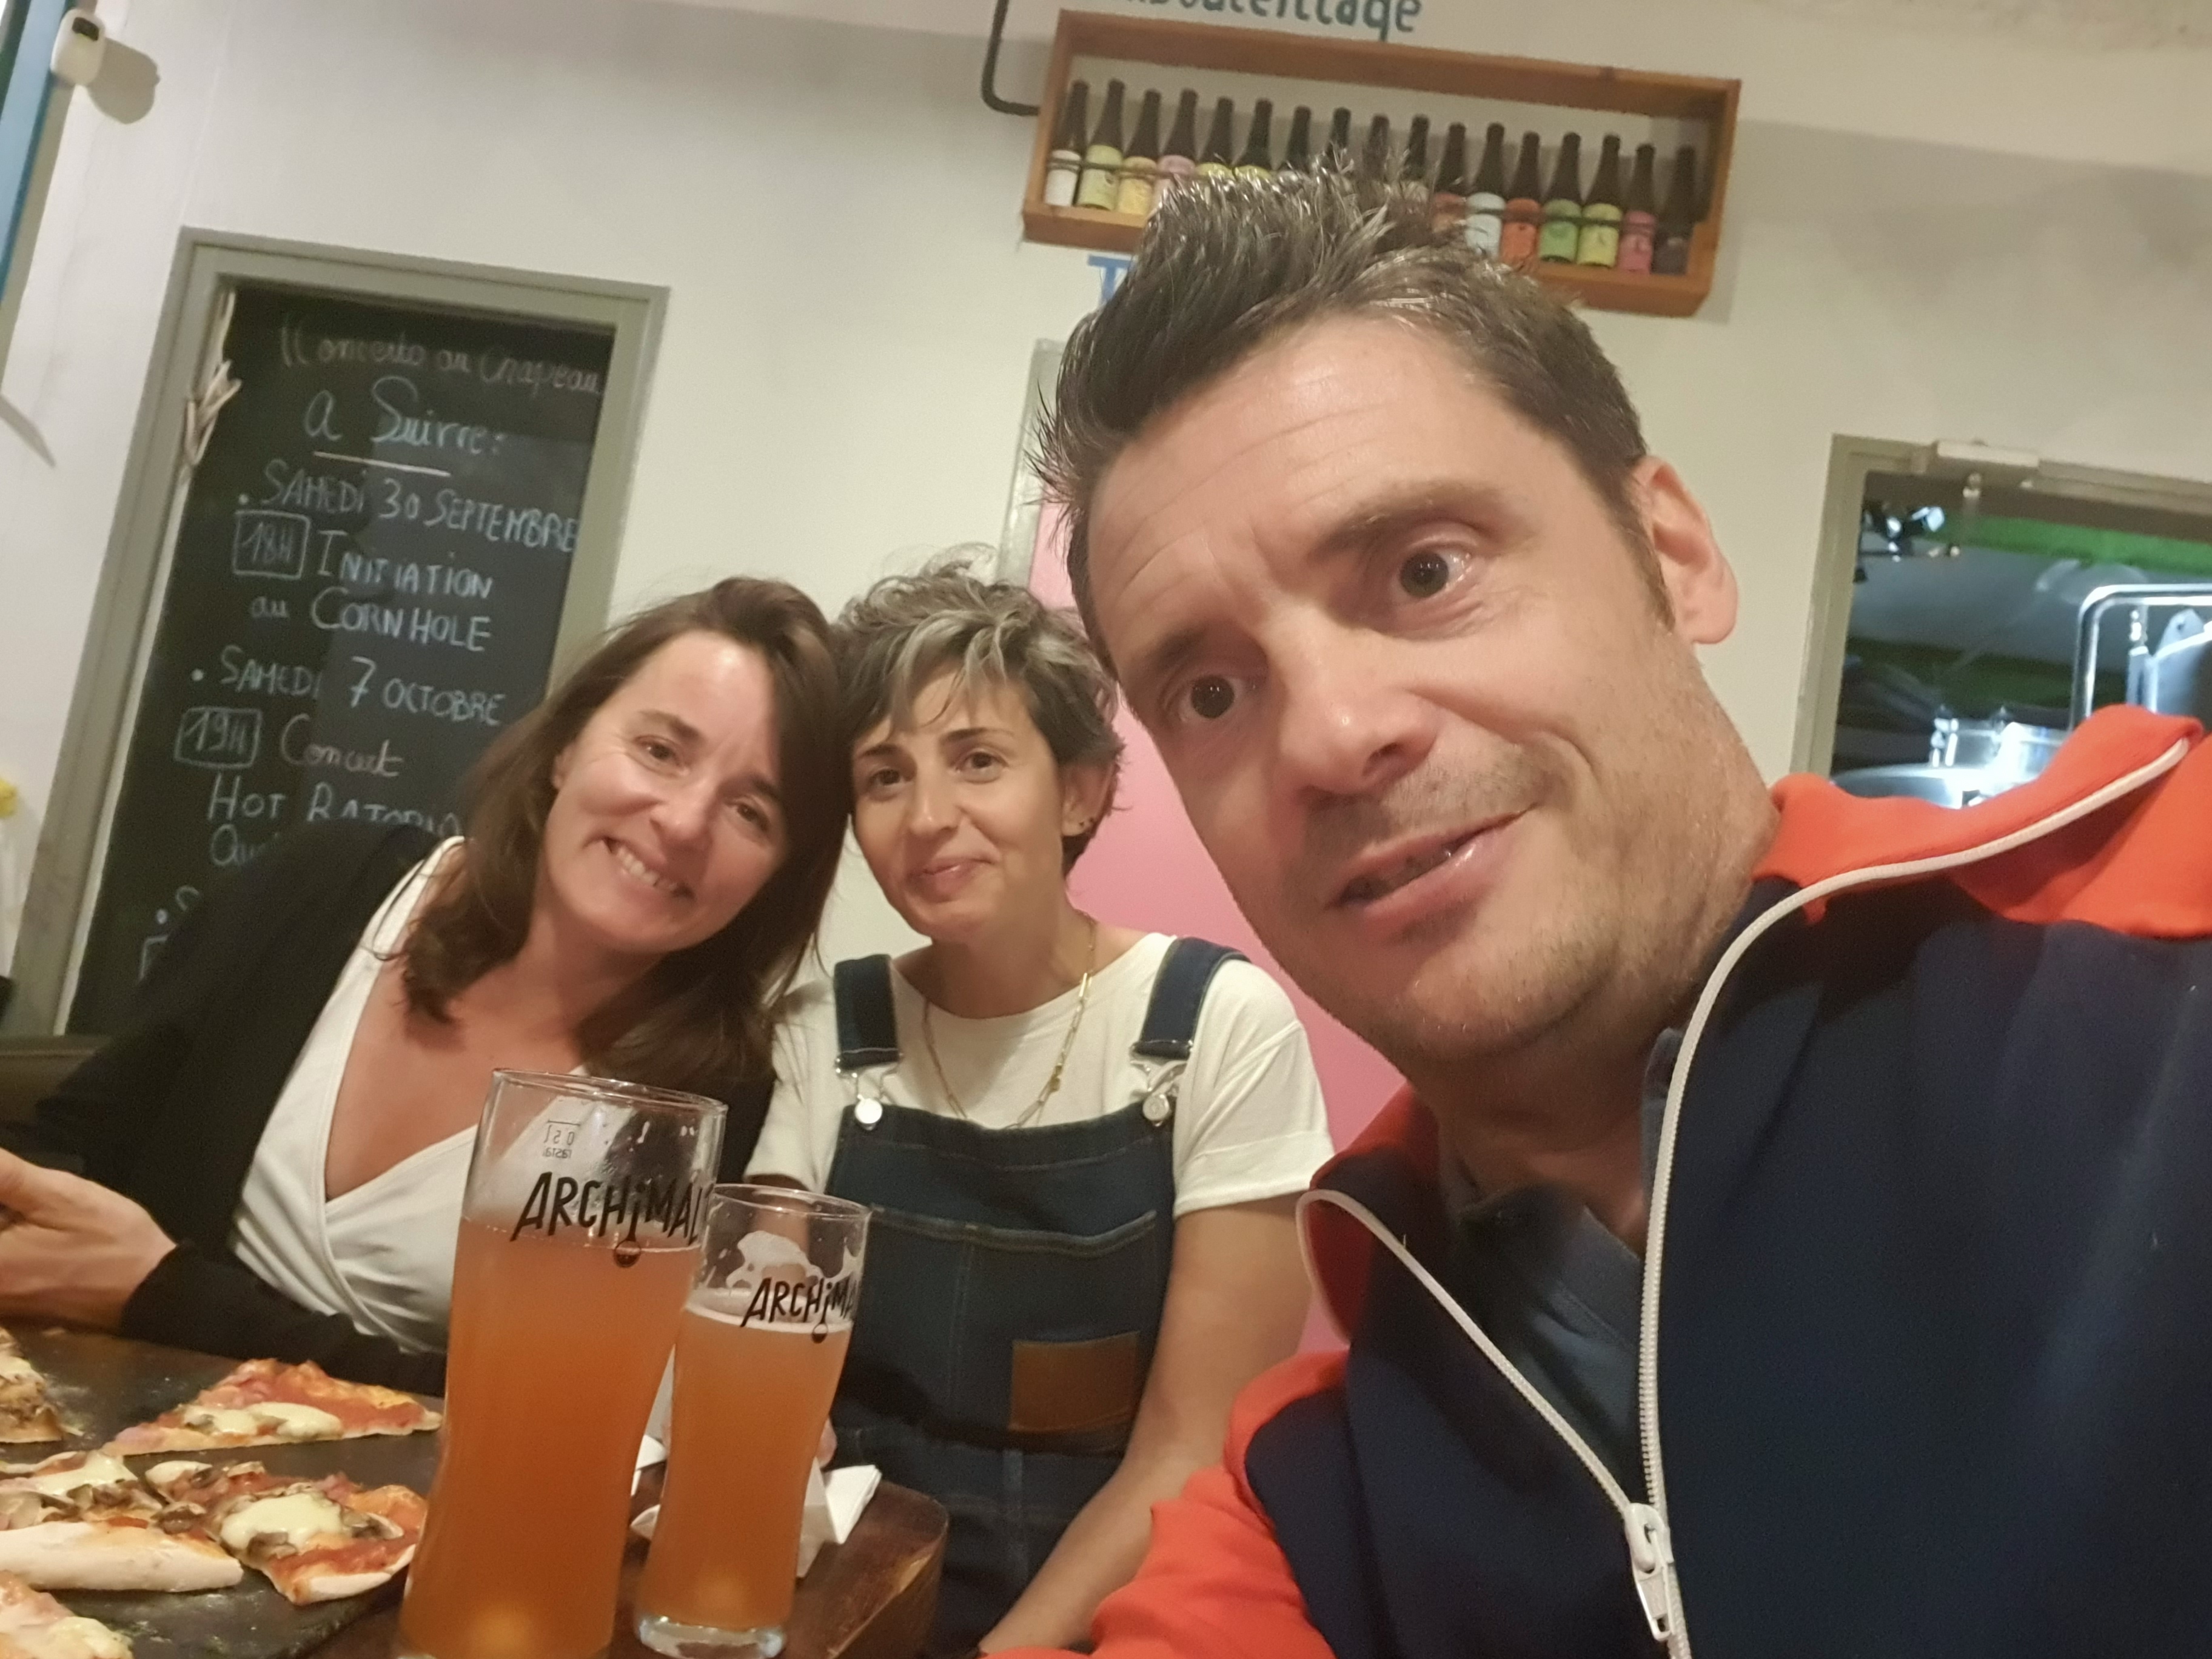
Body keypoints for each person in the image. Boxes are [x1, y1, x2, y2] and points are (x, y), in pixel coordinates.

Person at [991, 171, 2212, 1658]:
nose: (1330, 736)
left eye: (1425, 571)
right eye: (1209, 692)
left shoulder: (2165, 962)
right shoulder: (1304, 1516)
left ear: (1673, 554)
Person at [0, 577, 848, 1395]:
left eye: (751, 812)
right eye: (660, 751)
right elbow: (75, 1149)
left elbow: (553, 1406)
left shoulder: (707, 1105)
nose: (684, 821)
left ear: (776, 874)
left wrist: (169, 1296)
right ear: (566, 745)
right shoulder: (324, 884)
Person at [746, 564, 1333, 1655]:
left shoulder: (1215, 1026)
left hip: (1099, 1611)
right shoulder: (829, 1028)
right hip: (838, 1590)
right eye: (885, 777)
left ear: (1079, 792)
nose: (929, 818)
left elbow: (1191, 1450)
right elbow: (763, 1326)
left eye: (978, 759)